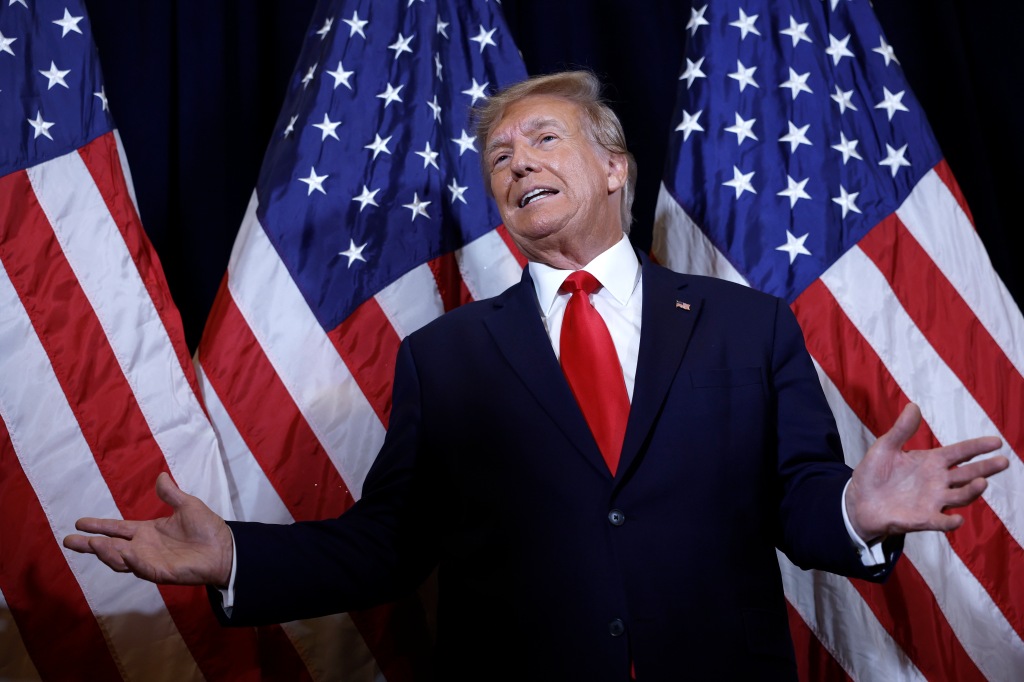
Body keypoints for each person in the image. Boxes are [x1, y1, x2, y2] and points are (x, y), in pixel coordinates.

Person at [65, 72, 1008, 681]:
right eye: (499, 159)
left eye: (543, 141)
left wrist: (855, 511)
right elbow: (391, 544)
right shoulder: (448, 355)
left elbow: (799, 502)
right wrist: (234, 558)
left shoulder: (745, 326)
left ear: (612, 168)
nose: (517, 165)